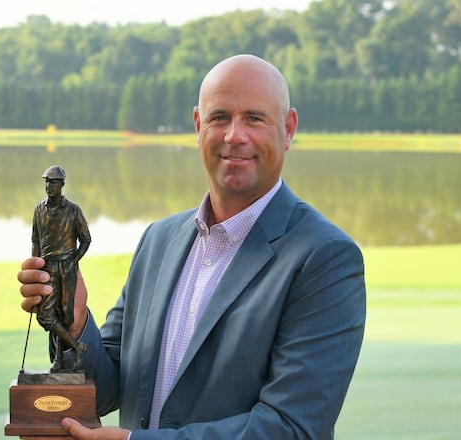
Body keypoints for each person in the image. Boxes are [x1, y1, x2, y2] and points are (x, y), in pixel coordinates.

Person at [18, 54, 366, 439]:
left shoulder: (325, 256)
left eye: (254, 118)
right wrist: (76, 319)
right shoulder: (159, 240)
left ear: (288, 129)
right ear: (199, 125)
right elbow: (110, 388)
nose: (235, 135)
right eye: (220, 117)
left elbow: (293, 427)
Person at [31, 165, 92, 371]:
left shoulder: (73, 210)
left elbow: (86, 239)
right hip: (47, 267)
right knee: (46, 316)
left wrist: (74, 261)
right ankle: (76, 346)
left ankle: (59, 360)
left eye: (54, 182)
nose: (49, 186)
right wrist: (35, 271)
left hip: (66, 267)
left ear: (62, 185)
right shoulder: (39, 209)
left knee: (65, 315)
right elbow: (35, 241)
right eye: (47, 182)